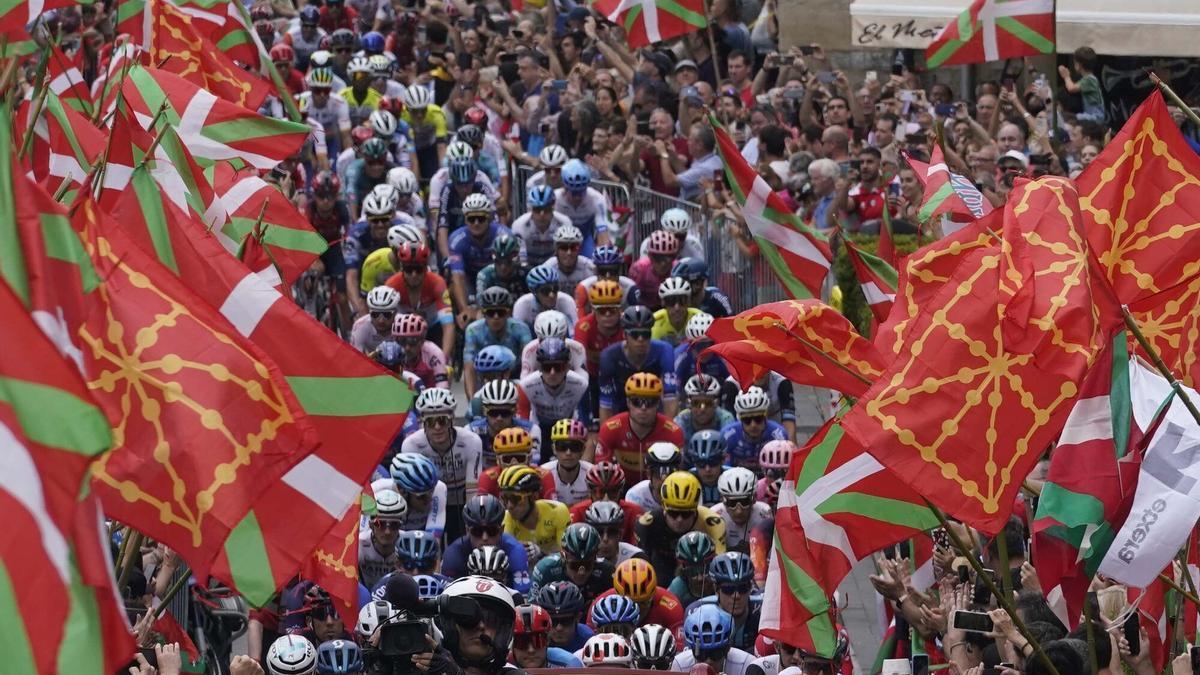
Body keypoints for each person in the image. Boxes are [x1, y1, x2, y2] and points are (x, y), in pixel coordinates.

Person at [400, 388, 482, 541]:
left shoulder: (471, 441)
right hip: (426, 505)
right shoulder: (411, 445)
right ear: (422, 422)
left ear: (451, 419)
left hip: (460, 503)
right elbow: (411, 492)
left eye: (442, 420)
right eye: (431, 422)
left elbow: (473, 492)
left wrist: (471, 524)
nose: (437, 427)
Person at [412, 575, 521, 675]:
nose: (481, 626)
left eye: (490, 620)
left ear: (502, 631)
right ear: (449, 625)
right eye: (468, 619)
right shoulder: (422, 667)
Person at [635, 471, 727, 582]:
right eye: (673, 513)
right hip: (662, 563)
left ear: (695, 510)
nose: (679, 520)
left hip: (699, 571)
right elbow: (639, 565)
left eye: (686, 514)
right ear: (664, 509)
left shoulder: (713, 522)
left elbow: (720, 563)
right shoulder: (647, 524)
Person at [596, 373, 684, 484]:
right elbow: (601, 472)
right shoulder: (610, 428)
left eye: (650, 402)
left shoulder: (673, 431)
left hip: (659, 489)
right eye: (636, 402)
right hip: (620, 488)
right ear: (628, 402)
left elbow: (679, 474)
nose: (643, 408)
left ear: (658, 403)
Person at [597, 307, 677, 421]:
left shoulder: (664, 351)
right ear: (624, 335)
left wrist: (669, 432)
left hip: (653, 409)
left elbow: (670, 398)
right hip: (621, 409)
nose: (640, 339)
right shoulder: (609, 356)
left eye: (646, 334)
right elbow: (606, 404)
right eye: (635, 334)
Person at [441, 494, 532, 593]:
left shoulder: (514, 550)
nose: (485, 538)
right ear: (467, 531)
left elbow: (524, 599)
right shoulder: (454, 555)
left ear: (501, 530)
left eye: (492, 531)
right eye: (477, 531)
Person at [384, 241, 455, 360]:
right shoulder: (392, 285)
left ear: (426, 268)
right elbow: (385, 325)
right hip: (403, 332)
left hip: (433, 328)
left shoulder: (437, 283)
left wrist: (444, 359)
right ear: (401, 268)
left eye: (419, 270)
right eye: (408, 269)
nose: (414, 275)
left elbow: (448, 326)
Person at [463, 287, 533, 398]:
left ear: (508, 312)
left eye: (500, 312)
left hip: (515, 374)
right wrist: (472, 400)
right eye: (491, 313)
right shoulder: (473, 330)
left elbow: (530, 362)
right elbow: (469, 366)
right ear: (483, 313)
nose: (496, 317)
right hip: (486, 377)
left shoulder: (521, 328)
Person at [591, 558, 685, 640]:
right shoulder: (600, 605)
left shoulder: (671, 607)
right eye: (631, 604)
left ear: (653, 595)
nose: (638, 610)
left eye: (643, 603)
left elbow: (680, 652)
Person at [686, 553, 762, 652]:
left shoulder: (763, 608)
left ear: (750, 588)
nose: (736, 596)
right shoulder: (696, 611)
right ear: (716, 590)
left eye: (743, 588)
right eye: (728, 589)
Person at [519, 337, 590, 442]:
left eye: (558, 367)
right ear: (539, 367)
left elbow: (585, 425)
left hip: (569, 429)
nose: (552, 373)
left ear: (567, 367)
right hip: (539, 428)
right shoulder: (525, 386)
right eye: (547, 367)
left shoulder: (581, 385)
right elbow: (523, 425)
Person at [709, 470, 773, 585]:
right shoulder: (714, 515)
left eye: (744, 502)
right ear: (722, 500)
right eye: (732, 503)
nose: (739, 511)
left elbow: (768, 557)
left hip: (757, 570)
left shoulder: (763, 513)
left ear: (754, 499)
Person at [500, 465, 572, 559]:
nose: (509, 506)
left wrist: (541, 554)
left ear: (534, 496)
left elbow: (568, 557)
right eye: (505, 499)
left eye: (515, 499)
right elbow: (506, 558)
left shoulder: (558, 511)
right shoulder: (507, 517)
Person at [531, 523, 615, 603]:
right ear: (563, 557)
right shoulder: (544, 570)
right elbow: (534, 605)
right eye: (575, 566)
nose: (581, 572)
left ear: (595, 559)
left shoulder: (607, 571)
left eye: (587, 565)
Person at [468, 380, 542, 468]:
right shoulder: (471, 431)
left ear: (515, 411)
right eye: (493, 413)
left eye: (505, 413)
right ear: (484, 411)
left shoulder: (530, 431)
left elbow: (533, 465)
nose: (499, 418)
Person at [569, 462, 645, 544]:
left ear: (620, 492)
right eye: (600, 492)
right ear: (590, 492)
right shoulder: (577, 511)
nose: (606, 499)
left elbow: (639, 548)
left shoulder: (634, 512)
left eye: (612, 492)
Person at [669, 605, 753, 675]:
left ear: (728, 648)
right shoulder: (680, 665)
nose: (708, 661)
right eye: (701, 654)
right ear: (692, 649)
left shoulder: (746, 664)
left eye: (716, 654)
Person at [554, 158, 612, 257]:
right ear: (565, 187)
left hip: (584, 239)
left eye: (581, 192)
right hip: (559, 239)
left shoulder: (596, 198)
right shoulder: (555, 199)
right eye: (574, 192)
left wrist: (604, 257)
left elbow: (602, 232)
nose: (578, 197)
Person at [722, 387, 788, 471]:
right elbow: (723, 468)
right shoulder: (727, 435)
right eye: (747, 420)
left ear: (766, 415)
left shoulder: (779, 435)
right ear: (740, 419)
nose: (753, 425)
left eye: (758, 418)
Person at [477, 426, 554, 497]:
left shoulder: (543, 477)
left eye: (520, 458)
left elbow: (552, 509)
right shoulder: (488, 478)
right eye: (507, 459)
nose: (514, 463)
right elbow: (481, 510)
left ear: (529, 458)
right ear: (498, 460)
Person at [388, 453, 447, 540]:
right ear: (402, 491)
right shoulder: (377, 491)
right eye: (422, 496)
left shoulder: (439, 488)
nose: (429, 499)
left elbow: (433, 540)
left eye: (431, 492)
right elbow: (363, 537)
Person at [357, 488, 407, 589]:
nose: (387, 532)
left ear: (400, 526)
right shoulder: (358, 545)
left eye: (394, 525)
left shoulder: (408, 545)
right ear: (371, 525)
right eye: (380, 524)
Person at [512, 184, 571, 268]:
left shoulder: (564, 223)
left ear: (553, 207)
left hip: (555, 266)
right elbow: (521, 260)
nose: (542, 215)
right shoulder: (520, 225)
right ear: (531, 208)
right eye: (537, 210)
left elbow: (567, 255)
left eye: (546, 209)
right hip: (528, 266)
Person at [512, 604, 585, 668]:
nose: (531, 650)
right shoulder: (503, 665)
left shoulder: (569, 664)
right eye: (521, 643)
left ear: (547, 641)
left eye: (538, 641)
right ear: (511, 646)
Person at [542, 418, 594, 506]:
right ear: (554, 449)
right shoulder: (543, 473)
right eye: (562, 447)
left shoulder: (592, 474)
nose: (568, 453)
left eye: (575, 447)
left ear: (583, 450)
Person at [520, 310, 587, 378]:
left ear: (564, 337)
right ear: (538, 337)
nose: (551, 346)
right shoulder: (529, 350)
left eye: (556, 340)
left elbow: (583, 381)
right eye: (544, 341)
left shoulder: (577, 349)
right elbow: (524, 381)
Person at [392, 313, 449, 389]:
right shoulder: (389, 351)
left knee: (448, 370)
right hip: (401, 392)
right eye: (402, 341)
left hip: (429, 394)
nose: (407, 348)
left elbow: (442, 385)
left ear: (422, 341)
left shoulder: (434, 352)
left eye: (413, 341)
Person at [534, 581, 595, 652]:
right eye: (552, 621)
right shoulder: (533, 642)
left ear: (578, 618)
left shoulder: (589, 640)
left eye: (566, 621)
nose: (559, 628)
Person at [514, 265, 579, 331]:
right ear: (535, 292)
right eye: (545, 291)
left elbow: (574, 332)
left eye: (555, 289)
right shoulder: (522, 304)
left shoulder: (566, 301)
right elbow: (516, 334)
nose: (552, 295)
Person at [624, 442, 684, 512]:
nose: (664, 479)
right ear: (649, 474)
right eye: (658, 472)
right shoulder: (636, 496)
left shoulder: (688, 492)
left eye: (670, 472)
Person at [627, 230, 679, 310]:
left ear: (675, 257)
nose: (663, 263)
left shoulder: (678, 269)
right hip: (643, 309)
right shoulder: (639, 269)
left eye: (668, 258)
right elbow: (631, 295)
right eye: (658, 258)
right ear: (649, 256)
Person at [676, 375, 735, 443]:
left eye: (708, 403)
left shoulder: (726, 418)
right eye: (696, 403)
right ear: (689, 404)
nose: (702, 409)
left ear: (716, 403)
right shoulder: (681, 420)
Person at [584, 500, 644, 564]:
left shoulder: (635, 557)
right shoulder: (580, 558)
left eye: (612, 532)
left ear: (620, 535)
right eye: (599, 532)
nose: (605, 539)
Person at [668, 532, 717, 608]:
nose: (700, 578)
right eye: (692, 572)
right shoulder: (677, 587)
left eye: (706, 569)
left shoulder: (724, 581)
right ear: (683, 571)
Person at [539, 225, 596, 290]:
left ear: (579, 249)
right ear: (556, 250)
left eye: (574, 248)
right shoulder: (547, 269)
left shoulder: (589, 268)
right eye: (564, 247)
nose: (569, 253)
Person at [474, 234, 529, 301]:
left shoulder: (526, 274)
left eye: (508, 262)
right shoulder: (485, 275)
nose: (503, 267)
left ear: (516, 260)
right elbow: (480, 303)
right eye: (498, 261)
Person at [638, 209, 705, 261]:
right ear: (663, 231)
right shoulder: (649, 244)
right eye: (673, 237)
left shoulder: (694, 244)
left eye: (681, 237)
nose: (677, 241)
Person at [652, 278, 700, 347]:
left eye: (682, 301)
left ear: (688, 302)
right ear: (663, 303)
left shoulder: (699, 318)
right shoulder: (654, 322)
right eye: (671, 302)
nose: (677, 308)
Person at [350, 285, 400, 353]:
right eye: (375, 314)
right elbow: (355, 357)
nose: (381, 320)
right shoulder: (361, 326)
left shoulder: (404, 324)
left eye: (387, 315)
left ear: (395, 313)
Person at [685, 430, 728, 508]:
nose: (707, 469)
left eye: (713, 462)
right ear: (694, 462)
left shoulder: (731, 477)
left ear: (723, 460)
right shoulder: (686, 480)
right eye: (701, 463)